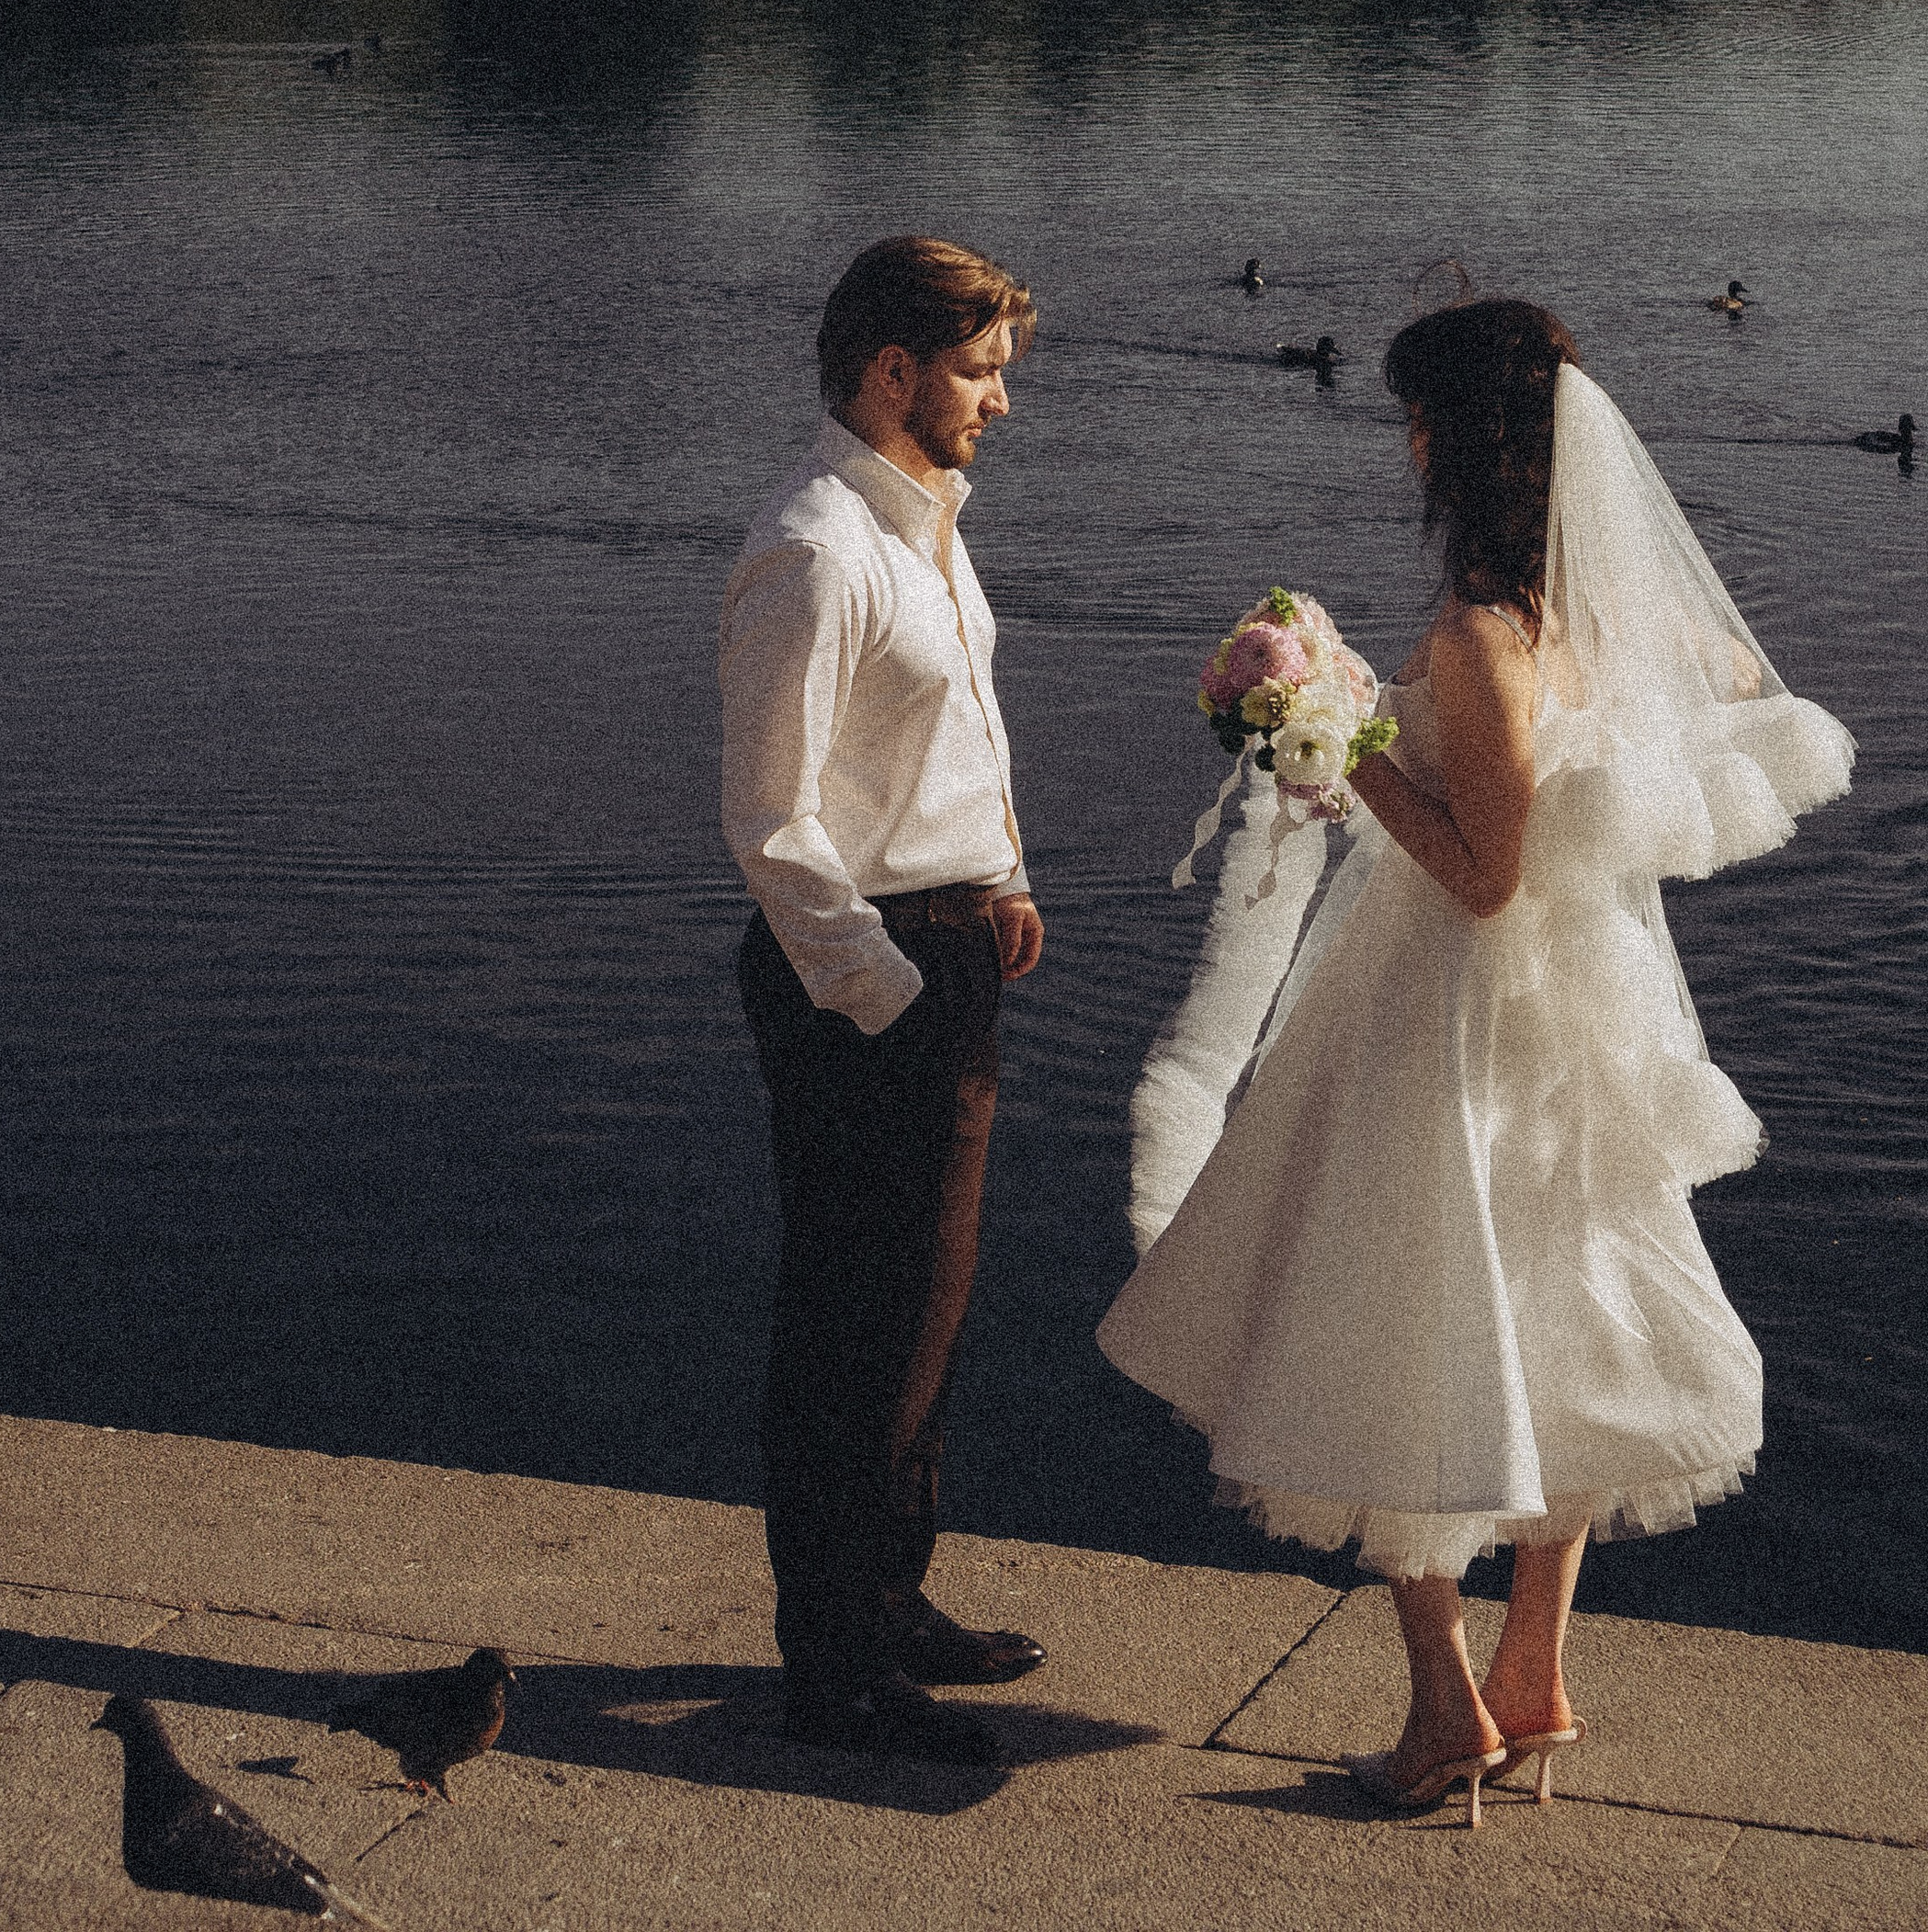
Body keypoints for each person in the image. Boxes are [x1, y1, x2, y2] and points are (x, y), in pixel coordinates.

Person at [1099, 297, 1854, 1824]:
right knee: (1560, 1318)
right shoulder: (1598, 619)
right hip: (1574, 1023)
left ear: (1457, 443)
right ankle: (1532, 1676)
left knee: (1400, 1321)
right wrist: (1367, 712)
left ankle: (1447, 1710)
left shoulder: (1478, 636)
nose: (1407, 445)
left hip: (1447, 1016)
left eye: (1415, 420)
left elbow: (1484, 872)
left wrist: (1335, 740)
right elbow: (1667, 713)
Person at [721, 234, 1049, 1764]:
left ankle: (891, 1600)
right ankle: (834, 1668)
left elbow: (955, 722)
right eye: (977, 372)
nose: (999, 401)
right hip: (861, 971)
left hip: (945, 942)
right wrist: (886, 989)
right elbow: (771, 820)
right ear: (891, 370)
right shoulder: (816, 550)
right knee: (851, 1324)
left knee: (929, 1306)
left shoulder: (925, 524)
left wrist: (1003, 876)